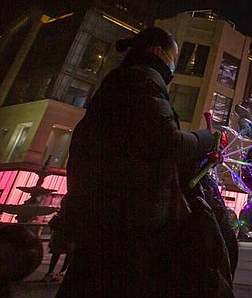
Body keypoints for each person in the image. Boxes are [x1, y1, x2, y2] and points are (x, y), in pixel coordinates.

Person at [56, 27, 234, 297]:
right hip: (128, 217)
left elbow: (144, 149)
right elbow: (168, 142)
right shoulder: (142, 81)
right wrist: (208, 138)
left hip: (112, 212)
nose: (175, 65)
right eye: (174, 56)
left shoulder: (123, 82)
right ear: (158, 52)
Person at [41, 211, 74, 283]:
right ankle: (62, 272)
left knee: (57, 251)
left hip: (61, 227)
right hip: (70, 227)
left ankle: (50, 272)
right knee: (69, 250)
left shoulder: (66, 200)